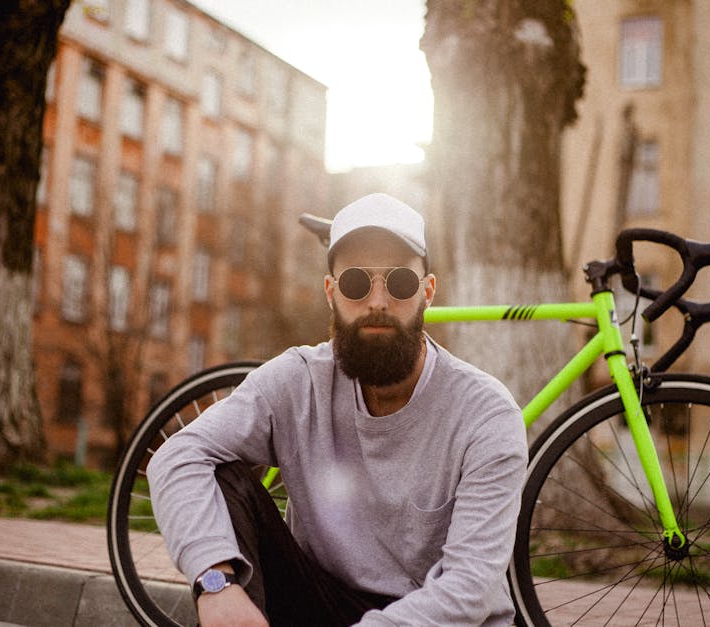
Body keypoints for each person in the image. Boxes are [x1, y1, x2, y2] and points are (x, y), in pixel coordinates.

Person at [148, 193, 528, 626]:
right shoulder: (299, 381)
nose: (378, 301)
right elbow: (177, 456)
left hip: (437, 617)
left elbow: (469, 589)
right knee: (223, 475)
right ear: (331, 293)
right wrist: (215, 582)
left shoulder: (486, 415)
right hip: (322, 600)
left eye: (401, 282)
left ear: (427, 292)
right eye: (356, 283)